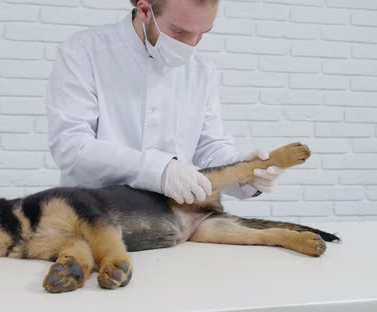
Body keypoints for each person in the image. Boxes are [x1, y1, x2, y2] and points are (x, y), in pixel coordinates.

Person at [46, 0, 285, 205]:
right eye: (180, 32)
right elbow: (71, 148)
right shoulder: (84, 51)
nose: (191, 46)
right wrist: (159, 171)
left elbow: (209, 149)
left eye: (203, 33)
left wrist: (243, 172)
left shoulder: (202, 71)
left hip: (169, 223)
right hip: (93, 216)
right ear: (144, 10)